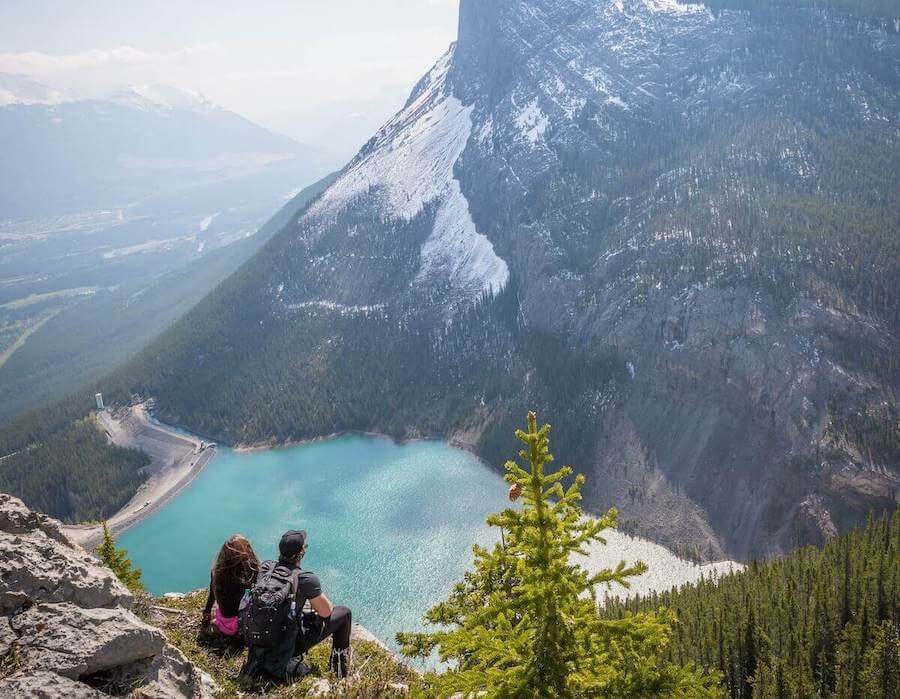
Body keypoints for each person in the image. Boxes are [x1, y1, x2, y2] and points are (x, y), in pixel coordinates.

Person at [241, 530, 352, 682]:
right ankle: (340, 670)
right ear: (302, 552)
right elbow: (326, 612)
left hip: (258, 640)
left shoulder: (266, 568)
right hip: (285, 645)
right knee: (345, 613)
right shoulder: (306, 579)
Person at [200, 535, 259, 646]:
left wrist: (206, 613)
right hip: (242, 625)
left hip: (223, 622)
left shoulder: (216, 572)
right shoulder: (250, 575)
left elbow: (212, 595)